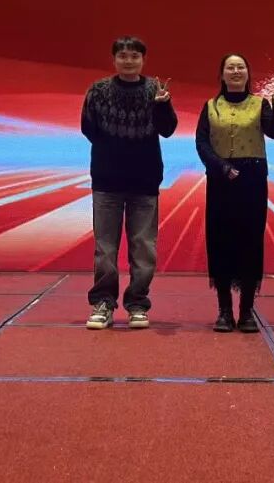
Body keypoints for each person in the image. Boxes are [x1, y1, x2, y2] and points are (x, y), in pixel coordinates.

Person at [81, 36, 177, 329]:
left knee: (144, 246)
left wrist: (162, 106)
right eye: (123, 56)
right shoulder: (97, 91)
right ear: (114, 59)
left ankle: (137, 303)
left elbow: (168, 130)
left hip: (145, 181)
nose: (128, 61)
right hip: (107, 181)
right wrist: (114, 152)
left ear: (143, 60)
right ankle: (103, 303)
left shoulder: (155, 90)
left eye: (135, 56)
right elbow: (88, 128)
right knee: (105, 248)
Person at [195, 54, 274, 333]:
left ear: (248, 73)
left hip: (252, 179)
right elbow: (202, 143)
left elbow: (273, 132)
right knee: (220, 240)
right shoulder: (211, 106)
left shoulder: (260, 104)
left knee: (250, 240)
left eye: (240, 67)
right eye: (230, 67)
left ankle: (246, 311)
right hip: (220, 180)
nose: (235, 71)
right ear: (222, 74)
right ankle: (224, 311)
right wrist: (221, 167)